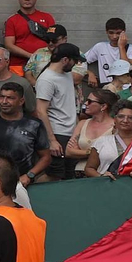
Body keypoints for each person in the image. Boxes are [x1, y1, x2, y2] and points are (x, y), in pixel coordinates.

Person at [0, 83, 51, 184]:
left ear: (21, 101)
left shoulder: (34, 124)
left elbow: (46, 157)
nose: (4, 102)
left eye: (10, 98)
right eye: (2, 97)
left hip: (23, 182)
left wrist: (29, 175)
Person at [34, 45, 82, 179]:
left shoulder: (66, 74)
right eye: (75, 60)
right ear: (66, 60)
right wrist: (51, 140)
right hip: (57, 133)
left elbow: (69, 105)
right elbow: (41, 111)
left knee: (70, 174)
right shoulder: (46, 79)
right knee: (54, 176)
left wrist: (77, 131)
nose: (76, 64)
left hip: (70, 133)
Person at [84, 100, 132, 180]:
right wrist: (101, 176)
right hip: (109, 187)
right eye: (121, 116)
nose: (125, 121)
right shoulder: (102, 141)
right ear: (115, 119)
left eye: (131, 118)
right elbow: (89, 169)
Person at [1, 0, 55, 76]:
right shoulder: (12, 20)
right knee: (18, 89)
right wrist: (31, 56)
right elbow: (9, 45)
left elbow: (55, 40)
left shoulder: (47, 17)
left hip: (44, 63)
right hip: (18, 65)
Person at [83, 17, 132, 85]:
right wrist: (90, 73)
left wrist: (121, 47)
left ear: (124, 31)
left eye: (118, 33)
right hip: (107, 87)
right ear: (106, 32)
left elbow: (126, 67)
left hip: (126, 87)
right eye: (111, 33)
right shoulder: (100, 47)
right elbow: (80, 62)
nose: (114, 36)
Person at [66, 87, 117, 165]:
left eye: (90, 101)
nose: (86, 103)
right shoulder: (82, 124)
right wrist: (93, 152)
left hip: (105, 172)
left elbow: (114, 153)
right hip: (80, 171)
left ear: (103, 106)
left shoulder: (116, 126)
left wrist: (80, 152)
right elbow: (68, 152)